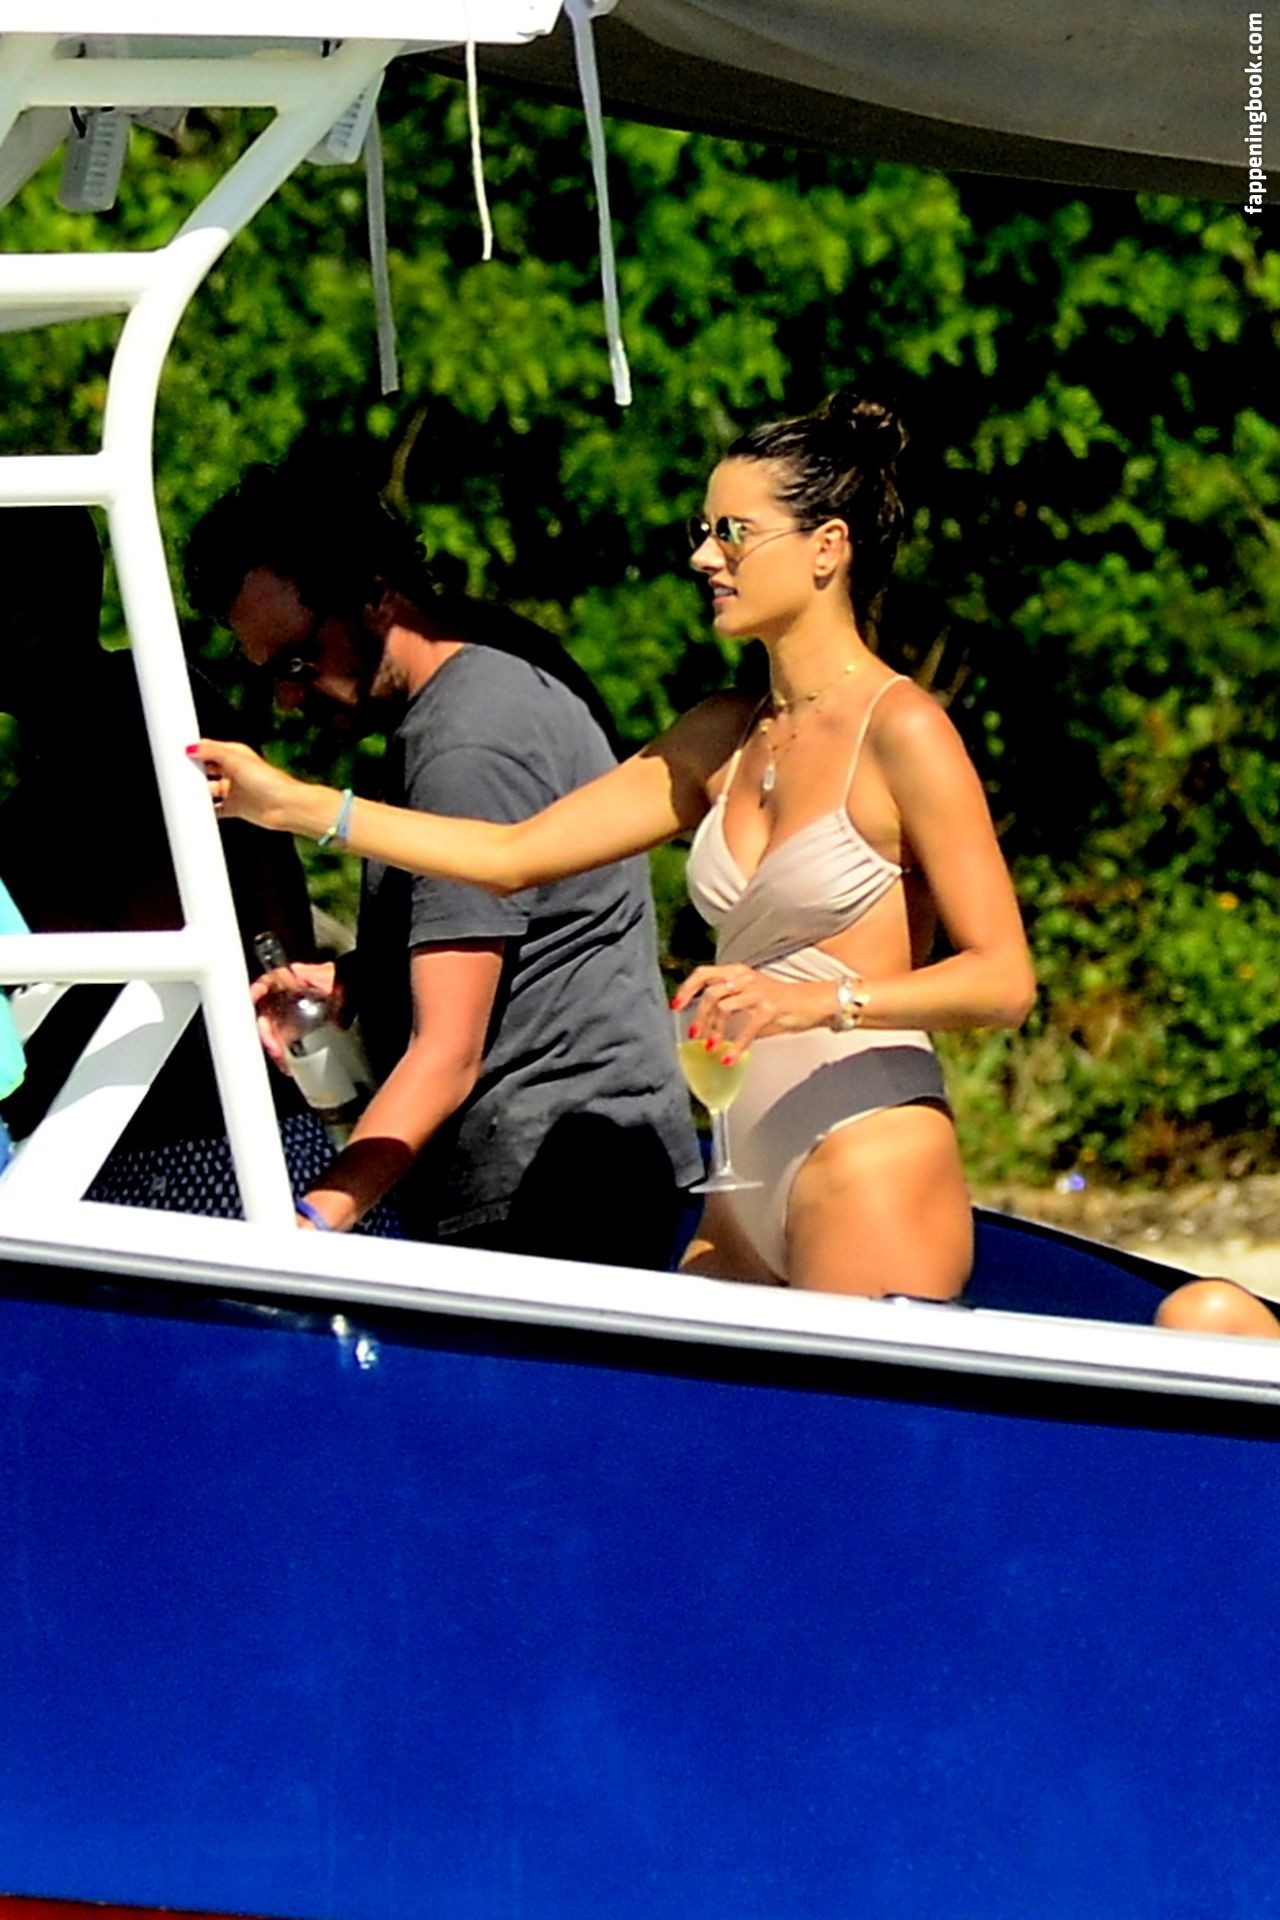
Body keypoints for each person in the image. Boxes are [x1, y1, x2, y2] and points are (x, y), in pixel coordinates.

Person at [191, 391, 1036, 1297]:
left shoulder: (903, 728)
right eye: (702, 531)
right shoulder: (723, 730)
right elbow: (513, 856)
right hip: (740, 1168)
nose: (703, 557)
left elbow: (1002, 982)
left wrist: (810, 1001)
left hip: (865, 1147)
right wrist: (300, 807)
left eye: (734, 534)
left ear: (827, 547)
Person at [182, 466, 701, 1262]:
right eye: (269, 677)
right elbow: (529, 930)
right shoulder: (484, 674)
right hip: (577, 1165)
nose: (287, 699)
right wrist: (360, 977)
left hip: (549, 1194)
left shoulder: (466, 743)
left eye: (298, 663)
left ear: (375, 596)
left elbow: (448, 1056)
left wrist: (308, 1223)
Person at [0, 504, 361, 1222]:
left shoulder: (130, 721)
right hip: (186, 1136)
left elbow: (163, 934)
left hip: (194, 1150)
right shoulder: (122, 717)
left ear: (26, 616)